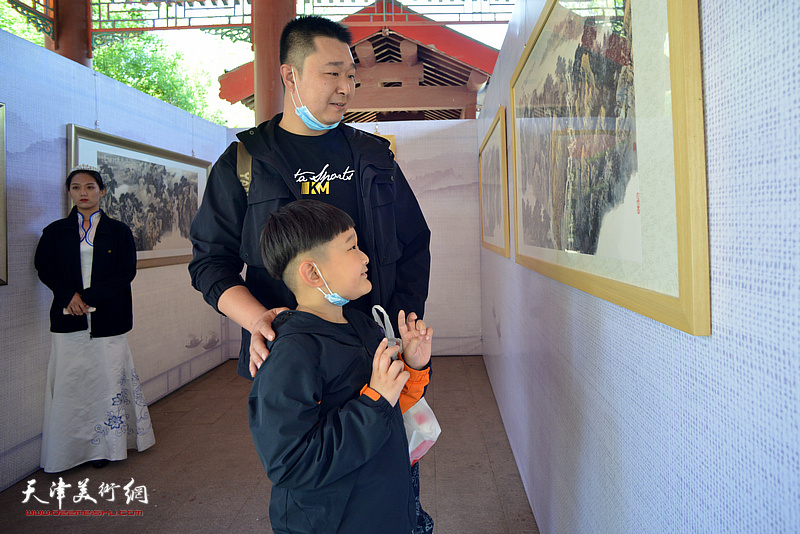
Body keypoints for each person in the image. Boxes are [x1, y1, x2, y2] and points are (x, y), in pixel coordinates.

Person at [188, 16, 434, 531]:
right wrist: (257, 321)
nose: (346, 87)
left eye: (351, 75)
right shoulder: (244, 162)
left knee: (388, 469)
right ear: (290, 75)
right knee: (316, 473)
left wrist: (404, 333)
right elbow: (210, 262)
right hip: (296, 352)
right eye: (331, 73)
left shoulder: (374, 157)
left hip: (375, 347)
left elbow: (413, 243)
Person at [249, 199, 432, 534]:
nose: (365, 257)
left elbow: (391, 406)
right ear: (313, 273)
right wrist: (373, 402)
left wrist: (413, 366)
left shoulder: (361, 325)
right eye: (352, 247)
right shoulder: (293, 354)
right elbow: (289, 462)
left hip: (384, 508)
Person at [35, 165, 155, 472]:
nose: (83, 193)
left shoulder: (119, 231)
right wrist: (68, 296)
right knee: (71, 383)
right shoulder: (54, 232)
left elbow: (125, 273)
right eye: (76, 188)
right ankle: (67, 451)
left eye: (90, 187)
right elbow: (45, 269)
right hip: (67, 318)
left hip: (108, 319)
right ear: (70, 193)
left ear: (102, 191)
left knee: (106, 381)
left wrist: (87, 297)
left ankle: (107, 447)